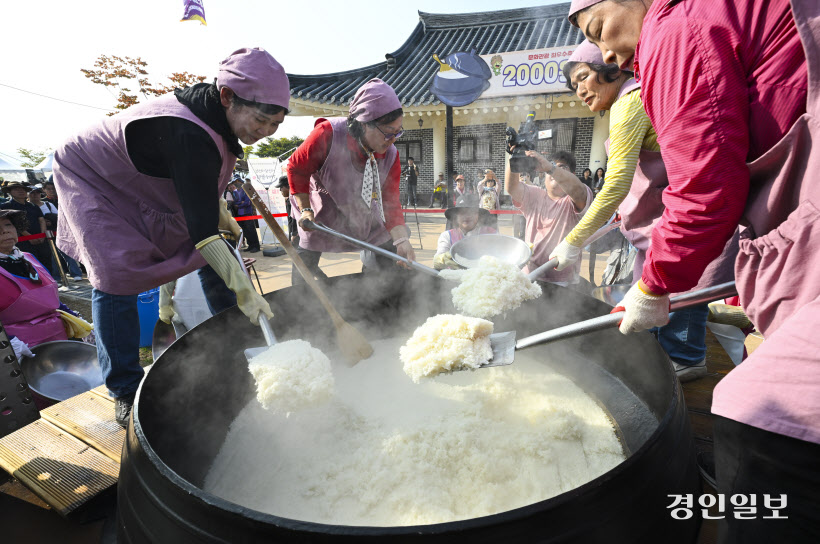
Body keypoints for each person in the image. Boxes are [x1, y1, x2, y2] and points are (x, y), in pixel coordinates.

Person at [569, 0, 816, 540]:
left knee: (757, 415)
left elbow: (704, 188)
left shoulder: (674, 28)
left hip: (724, 227)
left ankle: (727, 523)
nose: (606, 53)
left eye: (598, 31)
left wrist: (655, 281)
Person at [53, 47, 288, 428]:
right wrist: (245, 289)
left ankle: (234, 350)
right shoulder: (189, 131)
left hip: (145, 186)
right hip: (92, 176)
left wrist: (217, 211)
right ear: (227, 96)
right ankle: (125, 389)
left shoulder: (219, 119)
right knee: (116, 278)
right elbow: (203, 234)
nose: (264, 133)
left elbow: (199, 189)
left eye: (275, 125)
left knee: (212, 257)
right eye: (261, 120)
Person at [553, 40, 737, 381]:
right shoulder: (643, 94)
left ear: (610, 68)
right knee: (654, 305)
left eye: (583, 77)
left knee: (678, 304)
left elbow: (616, 184)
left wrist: (573, 240)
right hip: (656, 231)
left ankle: (685, 360)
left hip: (676, 233)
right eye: (573, 85)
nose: (580, 90)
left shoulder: (629, 101)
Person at [287, 78, 415, 285]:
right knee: (305, 267)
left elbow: (390, 200)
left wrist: (402, 240)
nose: (393, 140)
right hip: (322, 211)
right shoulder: (327, 134)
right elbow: (296, 168)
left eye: (398, 132)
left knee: (391, 259)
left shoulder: (390, 154)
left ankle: (385, 301)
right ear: (365, 124)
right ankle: (299, 302)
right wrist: (305, 210)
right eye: (388, 133)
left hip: (364, 213)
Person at [0, 209, 93, 361]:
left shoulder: (28, 258)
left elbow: (49, 299)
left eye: (8, 225)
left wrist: (76, 318)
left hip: (58, 337)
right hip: (22, 349)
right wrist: (8, 342)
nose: (5, 231)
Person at [506, 150, 592, 287]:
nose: (555, 171)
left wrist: (551, 168)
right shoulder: (534, 195)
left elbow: (579, 192)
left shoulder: (575, 198)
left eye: (562, 168)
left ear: (572, 175)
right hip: (530, 275)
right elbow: (512, 188)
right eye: (552, 166)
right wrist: (516, 156)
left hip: (563, 282)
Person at [1, 180, 51, 275]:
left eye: (23, 189)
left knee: (46, 260)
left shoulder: (33, 206)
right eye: (16, 189)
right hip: (23, 241)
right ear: (10, 192)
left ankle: (50, 280)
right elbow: (12, 224)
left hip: (41, 239)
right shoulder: (6, 206)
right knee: (29, 263)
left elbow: (41, 220)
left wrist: (42, 234)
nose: (21, 191)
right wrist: (28, 236)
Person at [432, 194, 496, 270]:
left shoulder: (490, 233)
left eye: (471, 212)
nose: (467, 216)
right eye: (462, 213)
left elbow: (500, 254)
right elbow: (439, 257)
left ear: (478, 215)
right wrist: (442, 259)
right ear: (456, 216)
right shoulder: (447, 236)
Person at [230, 178, 261, 253]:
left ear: (241, 182)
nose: (237, 183)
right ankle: (250, 245)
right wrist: (240, 203)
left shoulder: (246, 190)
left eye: (238, 181)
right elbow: (234, 203)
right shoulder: (235, 192)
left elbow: (247, 203)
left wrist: (239, 204)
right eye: (235, 182)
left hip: (247, 213)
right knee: (245, 230)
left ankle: (256, 246)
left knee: (251, 229)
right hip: (240, 214)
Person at [275, 174, 299, 244]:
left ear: (288, 186)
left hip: (297, 233)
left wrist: (294, 233)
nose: (280, 190)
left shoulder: (293, 199)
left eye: (281, 187)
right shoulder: (290, 198)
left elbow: (295, 218)